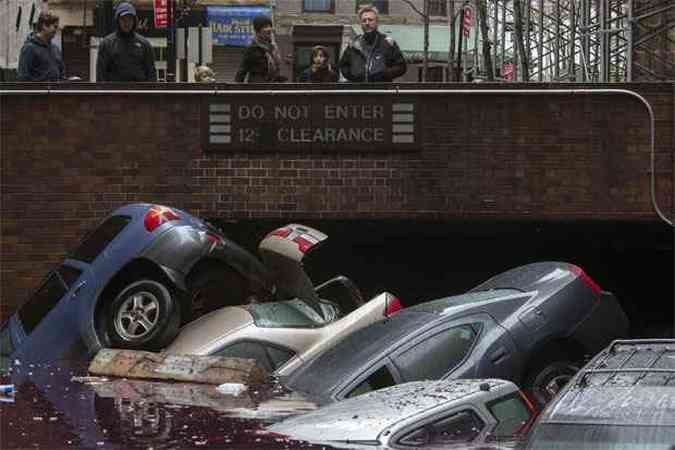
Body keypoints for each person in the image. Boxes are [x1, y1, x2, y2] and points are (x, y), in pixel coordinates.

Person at [338, 4, 407, 82]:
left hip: (381, 90)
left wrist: (385, 74)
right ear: (361, 23)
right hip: (358, 90)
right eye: (364, 20)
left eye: (370, 20)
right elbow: (343, 66)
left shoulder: (388, 43)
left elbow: (401, 66)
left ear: (376, 22)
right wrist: (354, 77)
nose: (367, 23)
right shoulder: (353, 45)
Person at [96, 2, 156, 82]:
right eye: (123, 19)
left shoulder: (144, 44)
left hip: (139, 91)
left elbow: (151, 74)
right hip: (114, 91)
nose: (127, 23)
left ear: (134, 21)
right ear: (118, 20)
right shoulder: (107, 44)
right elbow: (101, 74)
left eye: (129, 19)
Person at [234, 15, 287, 83]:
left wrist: (279, 79)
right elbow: (242, 71)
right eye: (265, 27)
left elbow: (274, 70)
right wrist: (237, 89)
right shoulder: (252, 49)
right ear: (258, 31)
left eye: (270, 26)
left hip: (271, 88)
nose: (269, 29)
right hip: (257, 88)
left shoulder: (272, 47)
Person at [17, 12, 65, 81]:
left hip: (54, 91)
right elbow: (23, 77)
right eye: (55, 27)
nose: (56, 30)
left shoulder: (55, 49)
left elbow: (62, 73)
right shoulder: (29, 48)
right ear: (44, 26)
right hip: (38, 91)